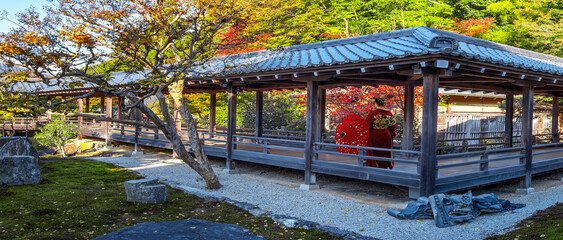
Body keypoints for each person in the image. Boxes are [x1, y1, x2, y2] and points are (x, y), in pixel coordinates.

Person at [365, 97, 396, 169]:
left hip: (375, 135)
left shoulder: (373, 113)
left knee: (376, 151)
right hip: (386, 134)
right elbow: (393, 125)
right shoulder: (389, 113)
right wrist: (392, 133)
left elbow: (367, 125)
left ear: (376, 104)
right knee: (385, 151)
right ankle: (384, 166)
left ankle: (377, 166)